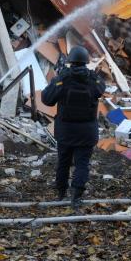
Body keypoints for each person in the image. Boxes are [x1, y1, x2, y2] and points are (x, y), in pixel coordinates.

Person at [41, 46, 105, 208]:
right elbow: (101, 89)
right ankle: (76, 196)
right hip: (87, 132)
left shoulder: (63, 79)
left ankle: (61, 193)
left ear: (70, 61)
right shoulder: (93, 79)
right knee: (82, 164)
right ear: (86, 61)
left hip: (66, 132)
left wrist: (57, 79)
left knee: (63, 162)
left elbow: (47, 100)